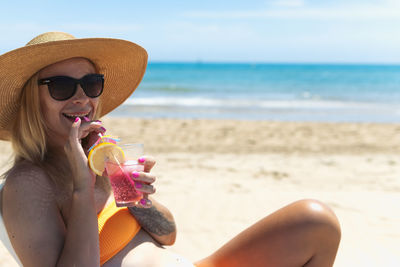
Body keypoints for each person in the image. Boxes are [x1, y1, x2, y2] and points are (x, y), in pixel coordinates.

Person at [0, 32, 341, 267]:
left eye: (90, 84)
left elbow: (169, 235)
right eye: (61, 86)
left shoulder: (101, 157)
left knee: (315, 221)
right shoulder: (27, 184)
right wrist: (81, 188)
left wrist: (135, 198)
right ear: (33, 101)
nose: (81, 98)